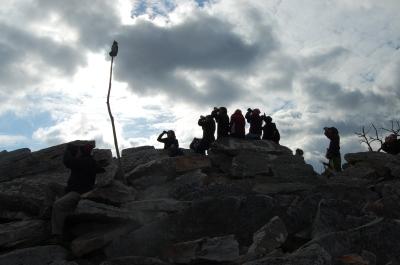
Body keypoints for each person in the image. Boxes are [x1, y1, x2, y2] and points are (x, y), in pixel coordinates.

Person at [51, 143, 105, 242]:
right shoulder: (85, 160)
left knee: (58, 205)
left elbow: (68, 162)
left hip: (78, 193)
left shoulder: (86, 161)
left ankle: (57, 235)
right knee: (52, 186)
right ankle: (48, 210)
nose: (77, 152)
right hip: (70, 190)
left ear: (82, 152)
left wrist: (68, 150)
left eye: (79, 150)